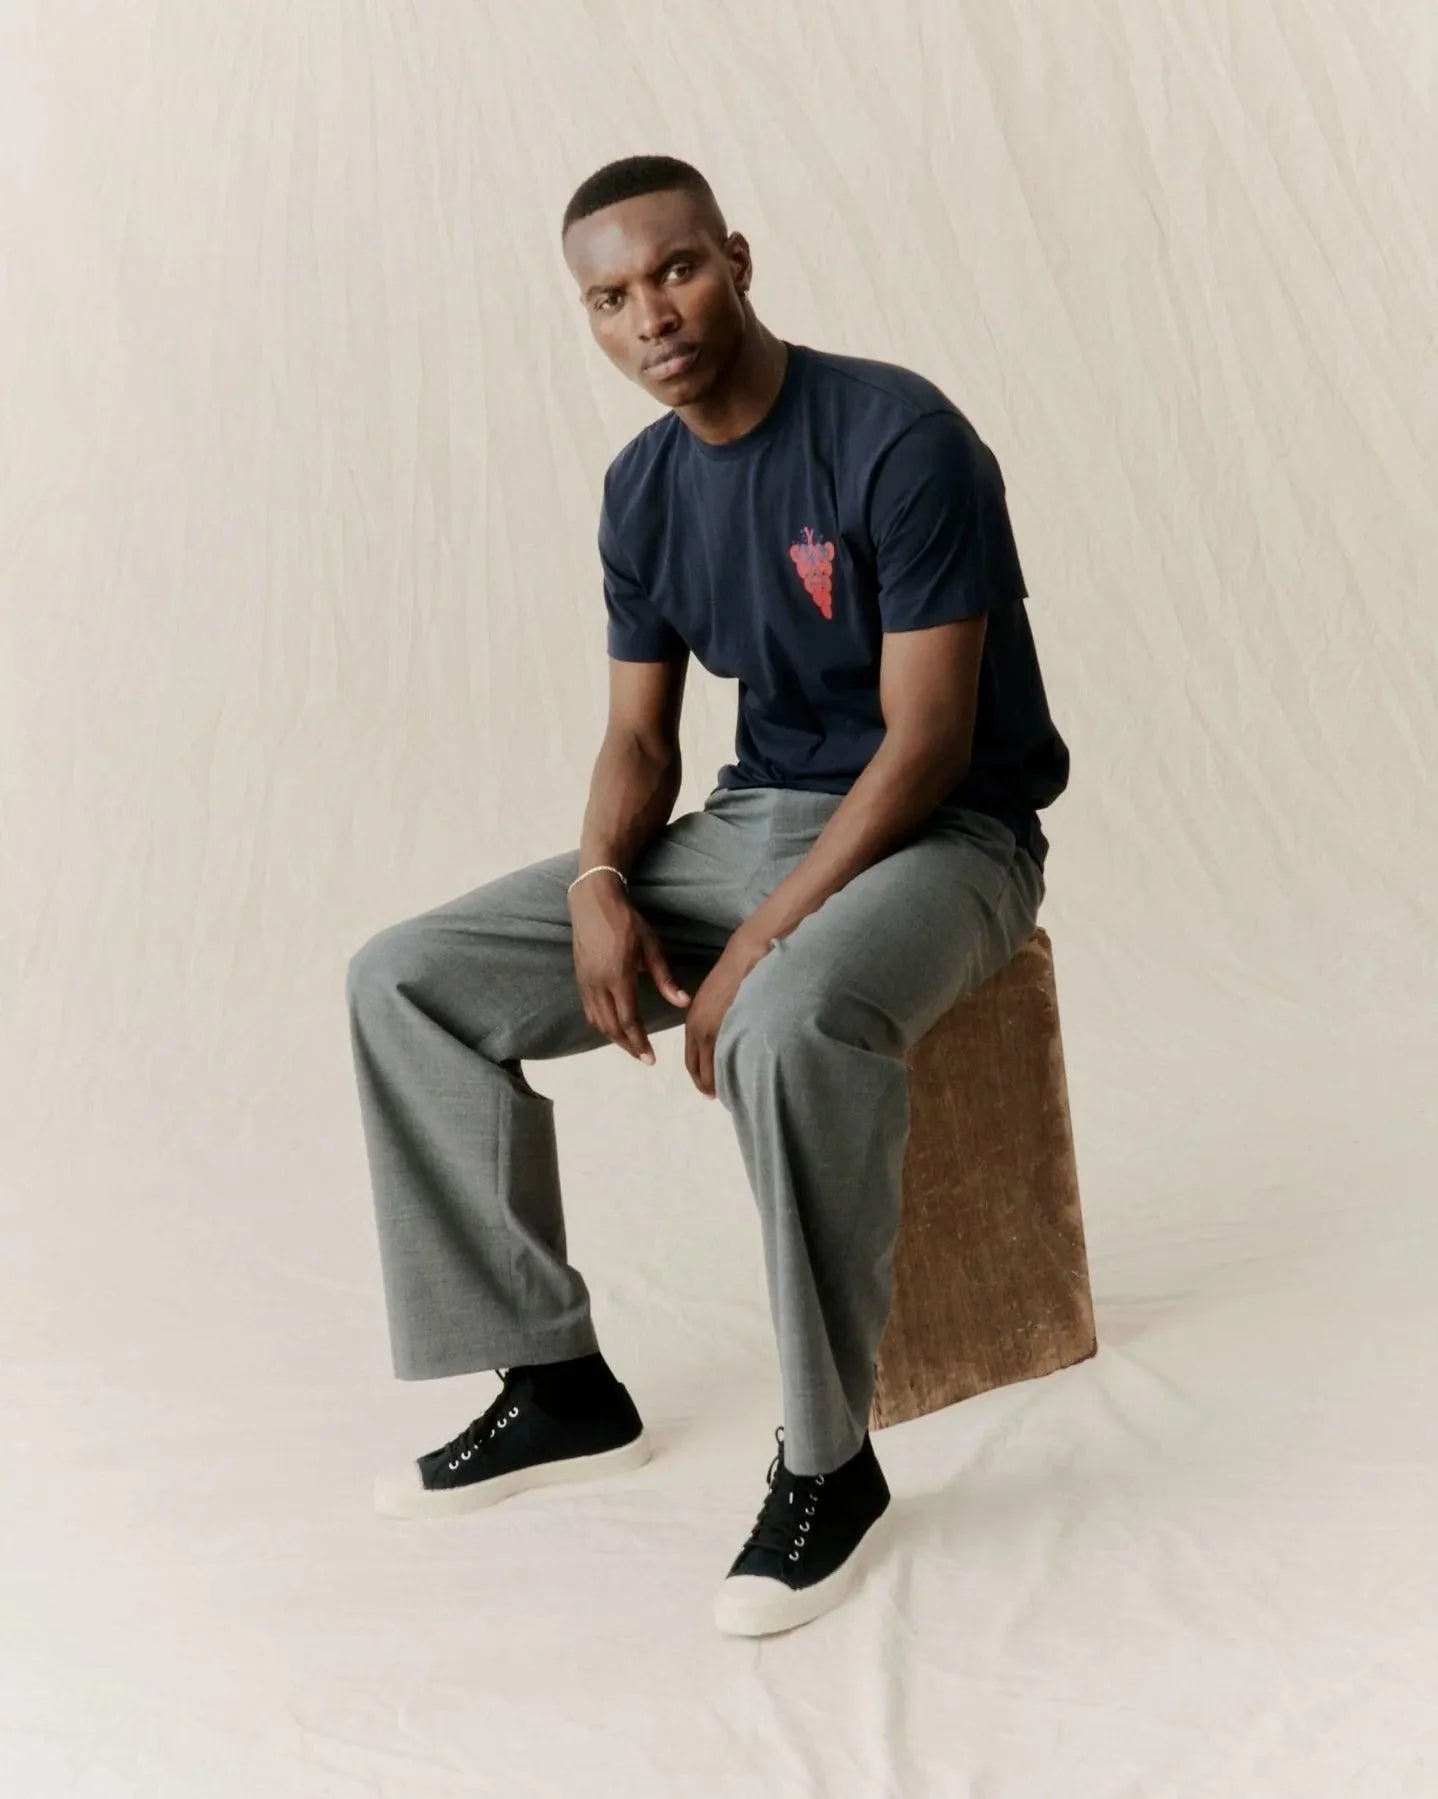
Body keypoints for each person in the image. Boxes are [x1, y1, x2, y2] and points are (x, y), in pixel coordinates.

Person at [346, 153, 1070, 1639]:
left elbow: (929, 744)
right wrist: (601, 877)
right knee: (405, 978)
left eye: (673, 271)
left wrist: (761, 942)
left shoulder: (898, 437)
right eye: (609, 298)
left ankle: (830, 1465)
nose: (651, 317)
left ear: (735, 259)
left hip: (952, 838)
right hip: (752, 824)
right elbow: (638, 736)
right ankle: (556, 1382)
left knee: (786, 1025)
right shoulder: (643, 490)